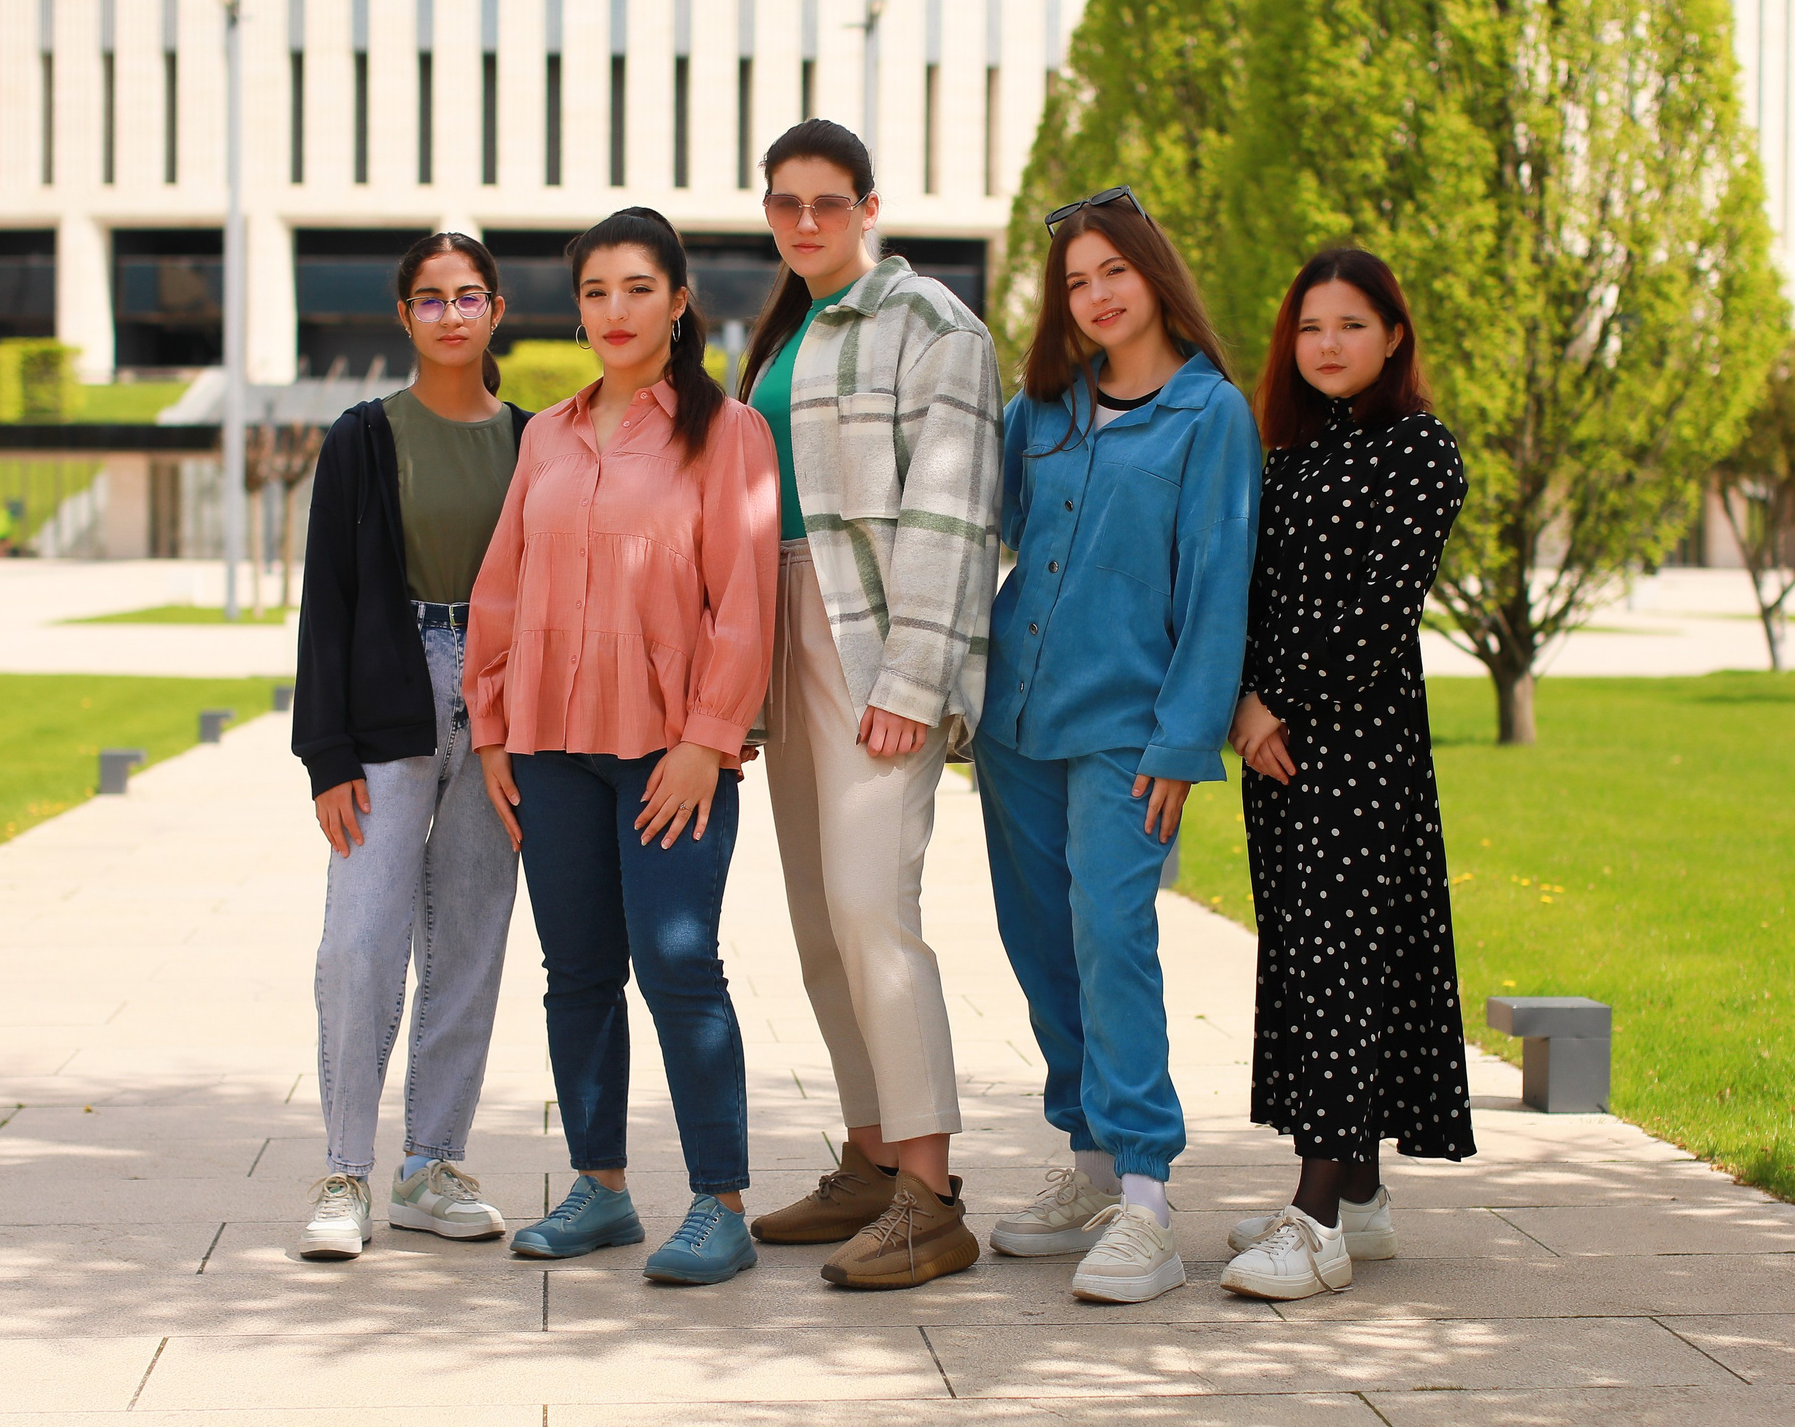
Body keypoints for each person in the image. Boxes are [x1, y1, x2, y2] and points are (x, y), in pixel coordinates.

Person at [462, 208, 781, 1287]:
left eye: (638, 287)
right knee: (578, 972)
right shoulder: (545, 433)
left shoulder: (726, 431)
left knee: (679, 964)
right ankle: (599, 1188)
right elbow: (502, 584)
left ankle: (720, 1202)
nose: (614, 310)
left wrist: (706, 739)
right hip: (549, 748)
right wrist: (494, 727)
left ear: (679, 300)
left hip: (666, 751)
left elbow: (746, 598)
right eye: (596, 290)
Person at [974, 188, 1261, 1304]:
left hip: (1128, 735)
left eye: (1113, 272)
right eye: (1076, 280)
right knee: (1039, 939)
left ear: (1154, 275)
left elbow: (1217, 584)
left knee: (1111, 939)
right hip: (1014, 727)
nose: (1095, 295)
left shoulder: (1209, 415)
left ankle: (1145, 1192)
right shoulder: (1036, 410)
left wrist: (1185, 741)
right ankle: (1089, 1165)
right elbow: (976, 533)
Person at [736, 120, 1004, 1291]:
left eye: (827, 204)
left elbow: (952, 514)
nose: (805, 223)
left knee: (870, 906)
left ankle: (931, 1195)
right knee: (812, 918)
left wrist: (913, 679)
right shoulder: (782, 334)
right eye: (785, 203)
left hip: (870, 640)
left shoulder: (932, 328)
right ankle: (866, 1154)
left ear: (868, 206)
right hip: (784, 634)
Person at [1220, 247, 1474, 1302]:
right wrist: (1241, 704)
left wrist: (1279, 702)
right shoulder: (1286, 454)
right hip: (1274, 755)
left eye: (1351, 325)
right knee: (1308, 956)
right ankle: (1356, 1197)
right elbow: (1245, 590)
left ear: (1394, 336)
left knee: (1341, 964)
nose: (1327, 344)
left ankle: (1315, 1219)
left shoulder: (1421, 452)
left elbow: (1378, 614)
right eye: (1310, 326)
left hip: (1358, 753)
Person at [290, 231, 529, 1261]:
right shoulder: (360, 437)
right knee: (360, 938)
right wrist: (325, 754)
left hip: (502, 709)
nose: (449, 314)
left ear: (496, 309)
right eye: (429, 299)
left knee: (469, 942)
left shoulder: (535, 436)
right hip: (391, 692)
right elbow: (326, 602)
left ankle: (431, 1163)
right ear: (404, 317)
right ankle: (345, 1171)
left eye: (467, 295)